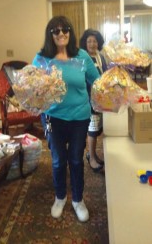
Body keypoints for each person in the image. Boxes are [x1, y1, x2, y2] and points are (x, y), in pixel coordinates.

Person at [32, 16, 100, 222]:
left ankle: (78, 200)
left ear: (70, 32)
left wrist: (115, 87)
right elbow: (32, 86)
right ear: (50, 34)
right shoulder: (42, 58)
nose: (61, 33)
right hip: (53, 117)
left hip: (79, 117)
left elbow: (97, 80)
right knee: (58, 160)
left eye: (65, 29)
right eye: (56, 30)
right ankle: (60, 197)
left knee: (76, 160)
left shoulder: (81, 56)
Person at [80, 29, 107, 172]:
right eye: (89, 41)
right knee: (92, 129)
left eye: (95, 41)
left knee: (97, 129)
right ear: (85, 43)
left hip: (101, 98)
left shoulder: (100, 56)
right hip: (89, 99)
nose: (92, 44)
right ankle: (91, 158)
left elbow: (105, 73)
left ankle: (93, 154)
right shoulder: (83, 58)